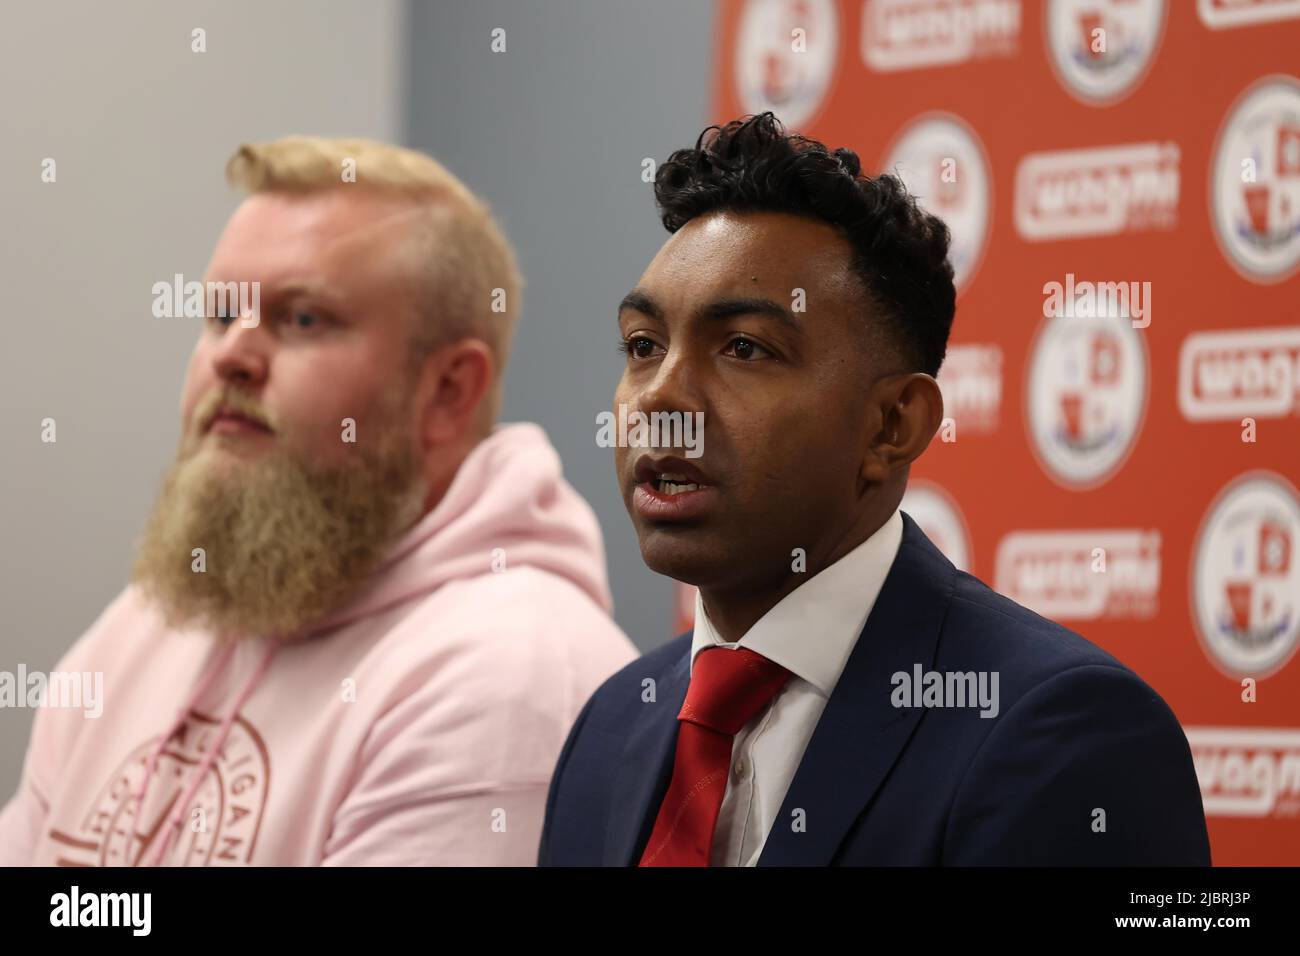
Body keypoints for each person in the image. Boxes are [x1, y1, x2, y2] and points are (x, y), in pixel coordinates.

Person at [538, 113, 1210, 866]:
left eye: (743, 348)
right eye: (643, 346)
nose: (659, 401)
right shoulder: (608, 728)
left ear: (893, 425)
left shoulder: (1063, 736)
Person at [0, 136, 635, 866]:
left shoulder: (507, 679)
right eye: (218, 315)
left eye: (302, 319)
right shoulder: (146, 625)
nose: (230, 355)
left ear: (447, 392)